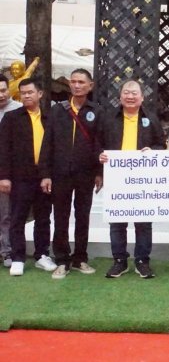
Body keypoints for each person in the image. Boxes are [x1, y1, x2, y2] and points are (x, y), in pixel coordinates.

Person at [38, 69, 102, 279]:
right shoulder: (58, 110)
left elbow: (100, 144)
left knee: (83, 216)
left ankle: (80, 258)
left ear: (90, 86)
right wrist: (45, 173)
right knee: (61, 217)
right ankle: (62, 260)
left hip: (86, 173)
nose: (77, 85)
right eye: (73, 82)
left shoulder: (97, 111)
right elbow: (48, 143)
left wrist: (99, 173)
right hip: (60, 173)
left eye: (81, 82)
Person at [99, 80, 165, 279]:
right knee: (117, 221)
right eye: (126, 92)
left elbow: (161, 146)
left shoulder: (150, 119)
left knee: (143, 222)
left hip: (142, 180)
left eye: (134, 93)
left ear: (142, 97)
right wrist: (100, 156)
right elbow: (97, 143)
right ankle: (119, 260)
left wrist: (152, 151)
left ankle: (142, 260)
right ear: (120, 97)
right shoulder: (109, 118)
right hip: (115, 178)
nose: (130, 96)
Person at [0, 77, 56, 276]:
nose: (26, 96)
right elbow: (4, 149)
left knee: (43, 218)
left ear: (40, 94)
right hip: (19, 177)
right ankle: (17, 258)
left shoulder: (50, 119)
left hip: (43, 177)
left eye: (30, 92)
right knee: (17, 218)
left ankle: (42, 255)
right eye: (23, 93)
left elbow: (53, 150)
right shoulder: (12, 118)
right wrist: (4, 176)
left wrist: (48, 175)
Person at [0, 74, 21, 268]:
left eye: (3, 90)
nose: (1, 95)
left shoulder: (18, 111)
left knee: (6, 214)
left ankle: (7, 251)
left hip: (7, 171)